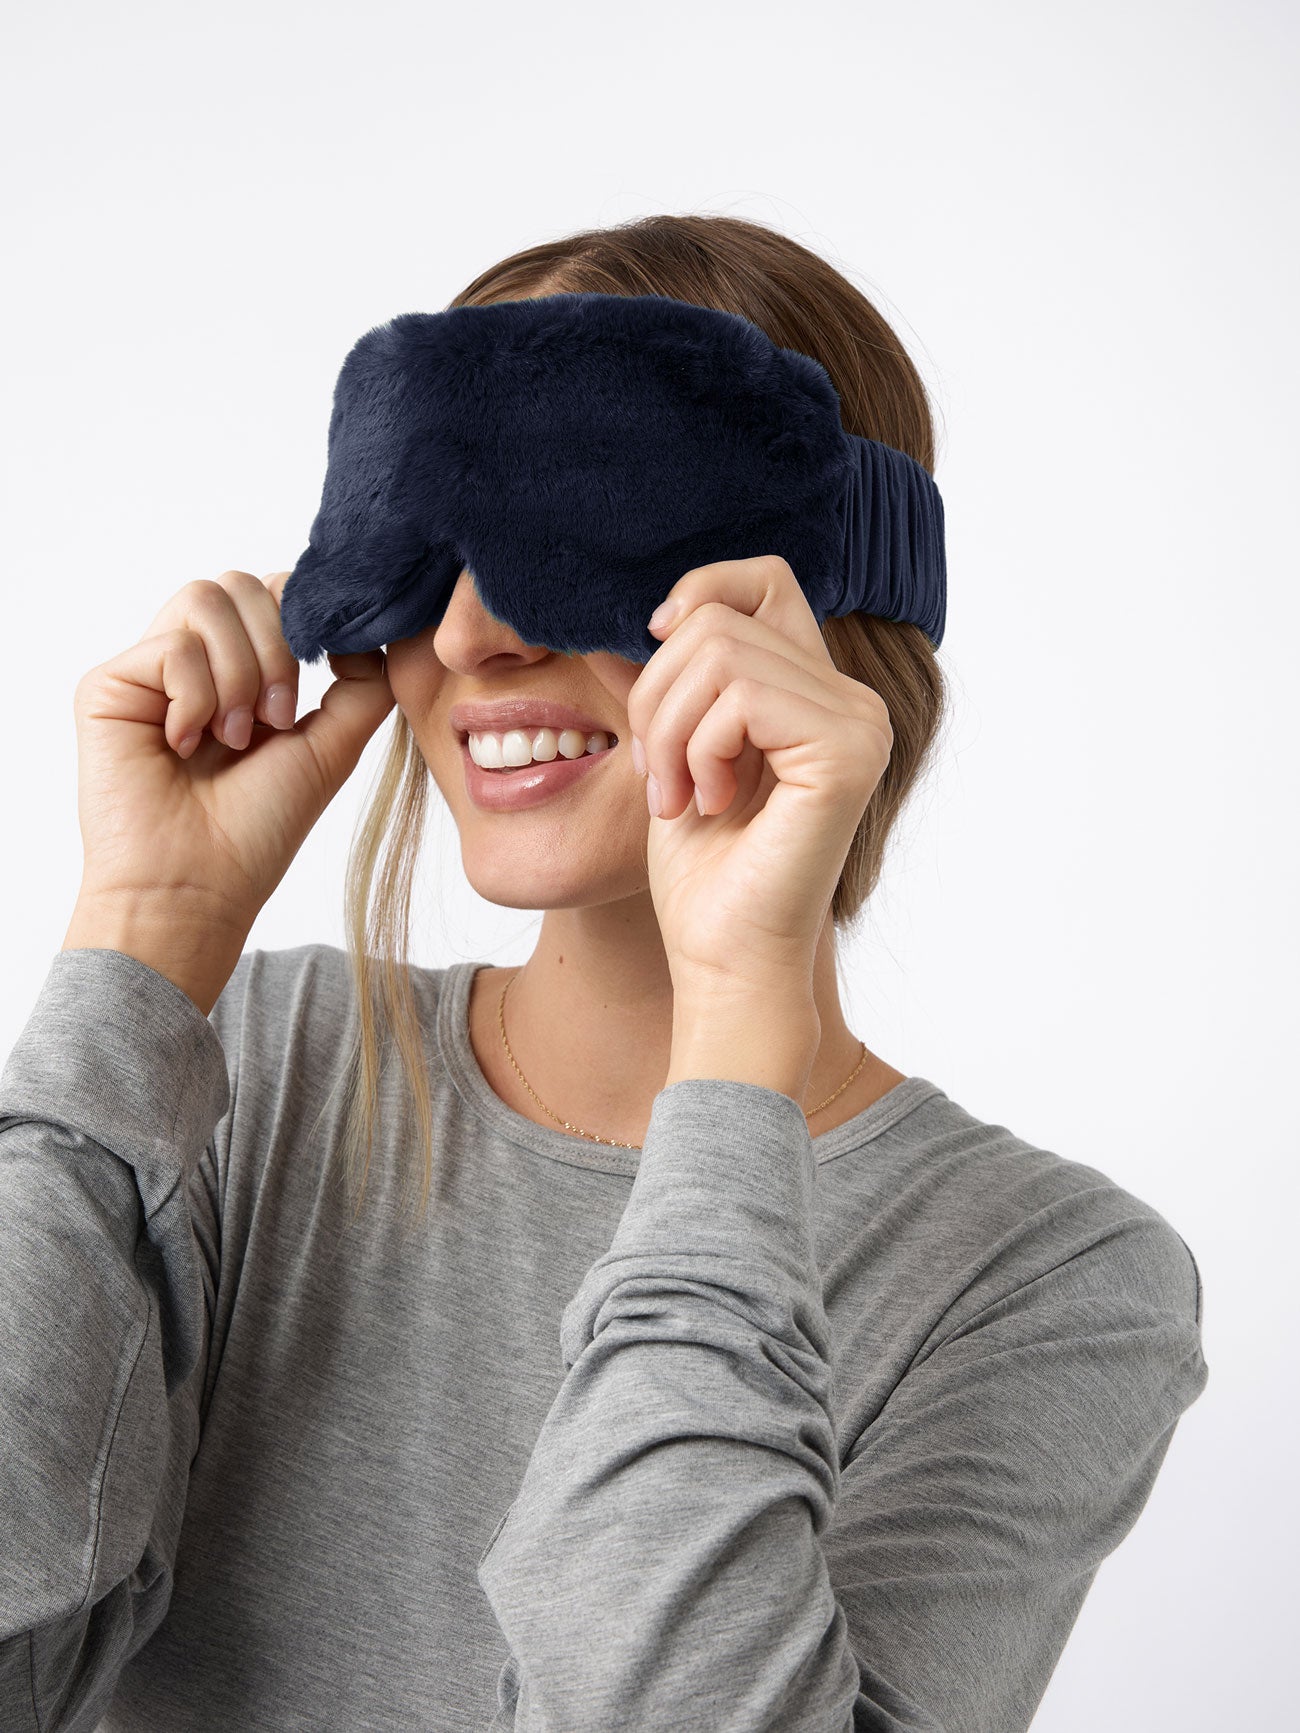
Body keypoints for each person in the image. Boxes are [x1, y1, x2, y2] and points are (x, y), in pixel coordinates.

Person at [0, 214, 1208, 1733]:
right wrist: (143, 932)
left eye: (579, 524)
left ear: (825, 612)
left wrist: (731, 1053)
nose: (469, 629)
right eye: (428, 537)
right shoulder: (247, 1066)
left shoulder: (1050, 1276)